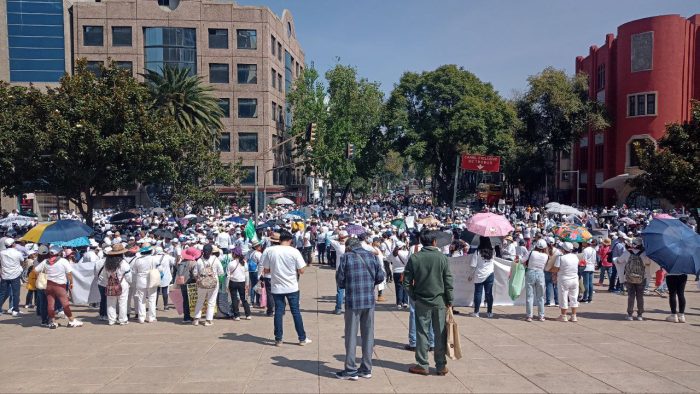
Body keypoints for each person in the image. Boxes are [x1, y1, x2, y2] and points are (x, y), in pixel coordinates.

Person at [403, 230, 454, 376]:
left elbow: (406, 282)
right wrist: (450, 300)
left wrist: (414, 296)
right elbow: (448, 281)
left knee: (422, 333)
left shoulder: (415, 258)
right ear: (434, 242)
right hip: (439, 301)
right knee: (440, 334)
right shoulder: (442, 258)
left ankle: (422, 364)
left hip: (421, 300)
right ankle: (440, 365)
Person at [334, 238, 385, 380]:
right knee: (368, 335)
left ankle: (350, 369)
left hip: (353, 301)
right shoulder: (372, 256)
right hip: (369, 301)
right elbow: (380, 277)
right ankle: (366, 368)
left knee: (351, 336)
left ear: (349, 247)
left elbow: (340, 281)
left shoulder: (346, 258)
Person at [261, 230, 311, 346]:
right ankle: (302, 338)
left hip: (277, 286)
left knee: (278, 311)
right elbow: (302, 270)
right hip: (292, 286)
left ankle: (278, 339)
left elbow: (266, 270)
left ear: (279, 240)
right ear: (290, 240)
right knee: (295, 312)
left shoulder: (270, 251)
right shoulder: (294, 251)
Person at [34, 245, 83, 329]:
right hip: (60, 285)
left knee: (50, 304)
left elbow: (35, 270)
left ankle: (53, 322)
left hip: (48, 285)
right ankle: (71, 320)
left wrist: (44, 274)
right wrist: (71, 283)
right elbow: (69, 273)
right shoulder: (63, 261)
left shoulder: (45, 261)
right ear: (59, 253)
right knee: (65, 304)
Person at [616, 238, 650, 321]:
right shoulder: (644, 254)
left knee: (631, 296)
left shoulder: (627, 252)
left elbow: (619, 261)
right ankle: (640, 315)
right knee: (640, 296)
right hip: (641, 278)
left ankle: (630, 314)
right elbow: (648, 263)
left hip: (629, 278)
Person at [192, 244, 224, 326]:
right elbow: (221, 272)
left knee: (200, 300)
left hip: (201, 283)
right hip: (213, 283)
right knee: (211, 301)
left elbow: (195, 273)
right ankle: (208, 320)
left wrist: (199, 280)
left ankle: (196, 319)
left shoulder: (199, 261)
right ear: (211, 252)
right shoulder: (215, 260)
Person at [101, 244, 132, 325]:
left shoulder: (106, 263)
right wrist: (130, 282)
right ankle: (122, 320)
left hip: (110, 284)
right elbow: (128, 276)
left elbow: (104, 275)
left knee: (110, 303)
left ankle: (111, 320)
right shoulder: (123, 262)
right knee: (122, 302)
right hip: (122, 283)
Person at [131, 245, 159, 324]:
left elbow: (134, 271)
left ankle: (141, 318)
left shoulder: (137, 260)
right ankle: (151, 317)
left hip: (140, 280)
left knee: (141, 299)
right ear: (150, 251)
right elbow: (160, 268)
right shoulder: (154, 258)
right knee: (152, 299)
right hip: (152, 279)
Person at [552, 242, 580, 322]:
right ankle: (574, 316)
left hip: (564, 279)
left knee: (563, 297)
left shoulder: (560, 258)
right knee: (574, 297)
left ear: (563, 249)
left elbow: (556, 269)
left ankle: (563, 316)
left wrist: (552, 272)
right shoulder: (575, 257)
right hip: (574, 278)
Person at [469, 238, 495, 318]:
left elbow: (473, 265)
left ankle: (476, 312)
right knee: (489, 293)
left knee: (478, 293)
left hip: (479, 274)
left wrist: (470, 275)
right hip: (490, 274)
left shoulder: (477, 252)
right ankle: (489, 312)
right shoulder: (493, 251)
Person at [523, 239, 548, 321]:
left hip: (530, 272)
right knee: (540, 296)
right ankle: (541, 315)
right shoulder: (546, 255)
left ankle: (529, 316)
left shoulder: (531, 252)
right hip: (540, 273)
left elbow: (522, 260)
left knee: (529, 296)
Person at [0, 238, 24, 316]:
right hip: (15, 274)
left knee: (2, 293)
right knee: (15, 293)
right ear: (13, 244)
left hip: (4, 274)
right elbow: (22, 261)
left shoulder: (2, 253)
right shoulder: (17, 253)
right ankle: (15, 310)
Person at [177, 247, 200, 323]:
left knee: (185, 300)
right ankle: (193, 316)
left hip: (182, 282)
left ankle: (186, 317)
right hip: (190, 283)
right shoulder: (193, 263)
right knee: (193, 300)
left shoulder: (181, 262)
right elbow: (194, 274)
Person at [227, 246, 251, 321]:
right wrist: (247, 284)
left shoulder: (231, 263)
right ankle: (248, 315)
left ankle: (236, 315)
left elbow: (228, 276)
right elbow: (247, 275)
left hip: (233, 282)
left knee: (234, 299)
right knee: (244, 298)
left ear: (234, 254)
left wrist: (226, 285)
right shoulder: (244, 263)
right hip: (242, 282)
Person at [331, 231, 348, 315]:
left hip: (339, 270)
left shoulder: (338, 245)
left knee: (340, 290)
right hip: (348, 270)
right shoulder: (349, 247)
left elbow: (329, 238)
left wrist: (338, 236)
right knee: (349, 290)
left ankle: (338, 308)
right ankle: (349, 308)